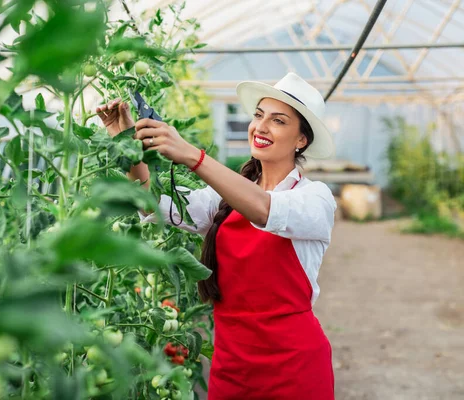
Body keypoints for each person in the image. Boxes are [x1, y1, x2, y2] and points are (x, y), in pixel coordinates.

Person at [97, 72, 336, 399]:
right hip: (231, 364)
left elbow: (266, 211)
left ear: (301, 141)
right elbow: (150, 203)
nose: (261, 127)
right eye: (258, 115)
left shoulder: (315, 198)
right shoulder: (223, 200)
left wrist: (193, 156)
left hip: (293, 365)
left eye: (278, 121)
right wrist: (126, 144)